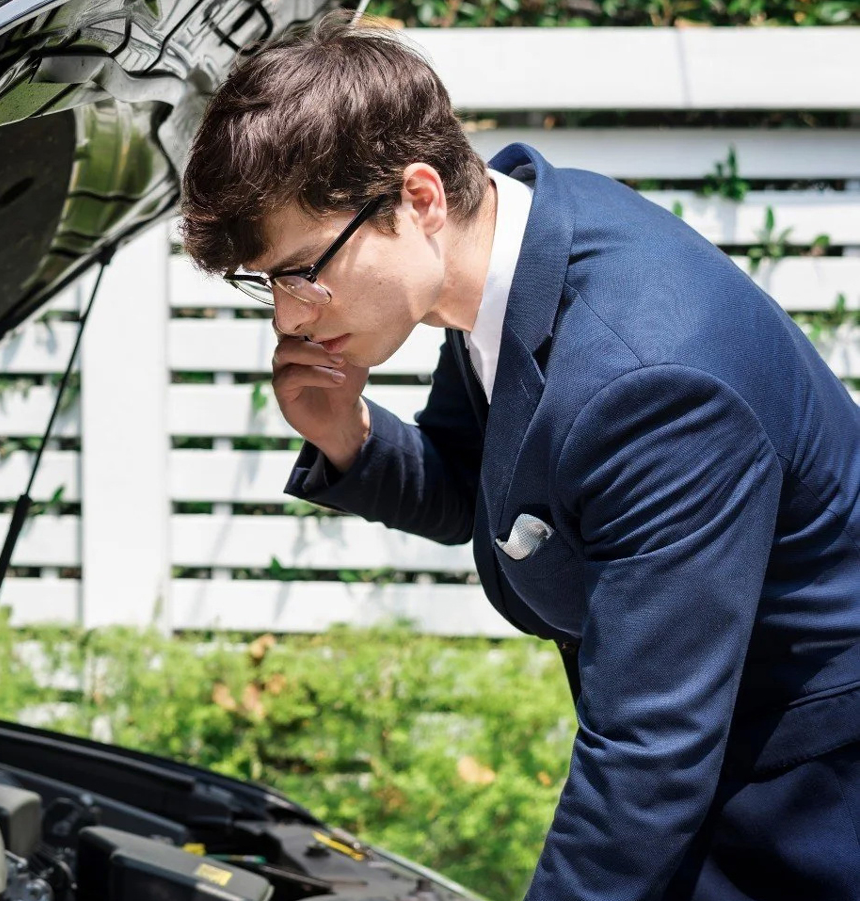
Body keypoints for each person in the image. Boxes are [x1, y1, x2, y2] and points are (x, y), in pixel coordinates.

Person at [178, 11, 860, 900]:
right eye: (267, 285)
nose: (288, 317)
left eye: (302, 270)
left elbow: (648, 753)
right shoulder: (518, 243)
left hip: (804, 792)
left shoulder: (645, 385)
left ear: (418, 199)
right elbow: (492, 494)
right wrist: (345, 432)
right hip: (713, 733)